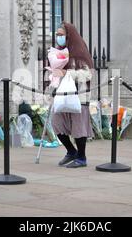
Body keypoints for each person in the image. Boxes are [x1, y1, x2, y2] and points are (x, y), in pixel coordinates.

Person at [51, 22, 94, 168]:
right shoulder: (59, 52)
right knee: (57, 123)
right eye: (57, 35)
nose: (58, 37)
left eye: (61, 35)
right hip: (62, 93)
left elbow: (88, 74)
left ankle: (82, 157)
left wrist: (67, 73)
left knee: (78, 126)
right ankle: (71, 151)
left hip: (79, 94)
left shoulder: (80, 51)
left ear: (69, 36)